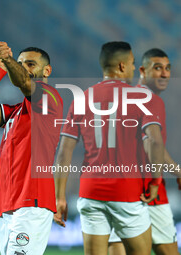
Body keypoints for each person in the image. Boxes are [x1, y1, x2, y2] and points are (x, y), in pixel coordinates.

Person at [54, 41, 165, 255]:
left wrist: (59, 197)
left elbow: (63, 153)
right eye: (133, 63)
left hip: (90, 192)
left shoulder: (81, 98)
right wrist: (156, 179)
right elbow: (155, 141)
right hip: (128, 193)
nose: (134, 68)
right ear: (122, 66)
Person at [0, 41, 63, 255]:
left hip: (31, 201)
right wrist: (1, 67)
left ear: (46, 70)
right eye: (20, 64)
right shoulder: (16, 112)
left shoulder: (48, 99)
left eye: (30, 64)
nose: (23, 68)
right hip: (7, 204)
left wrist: (10, 61)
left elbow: (25, 82)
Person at [108, 49, 181, 255]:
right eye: (157, 68)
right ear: (142, 70)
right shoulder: (148, 99)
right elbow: (153, 143)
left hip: (118, 191)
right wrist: (157, 181)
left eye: (167, 69)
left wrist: (176, 171)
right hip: (147, 190)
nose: (165, 74)